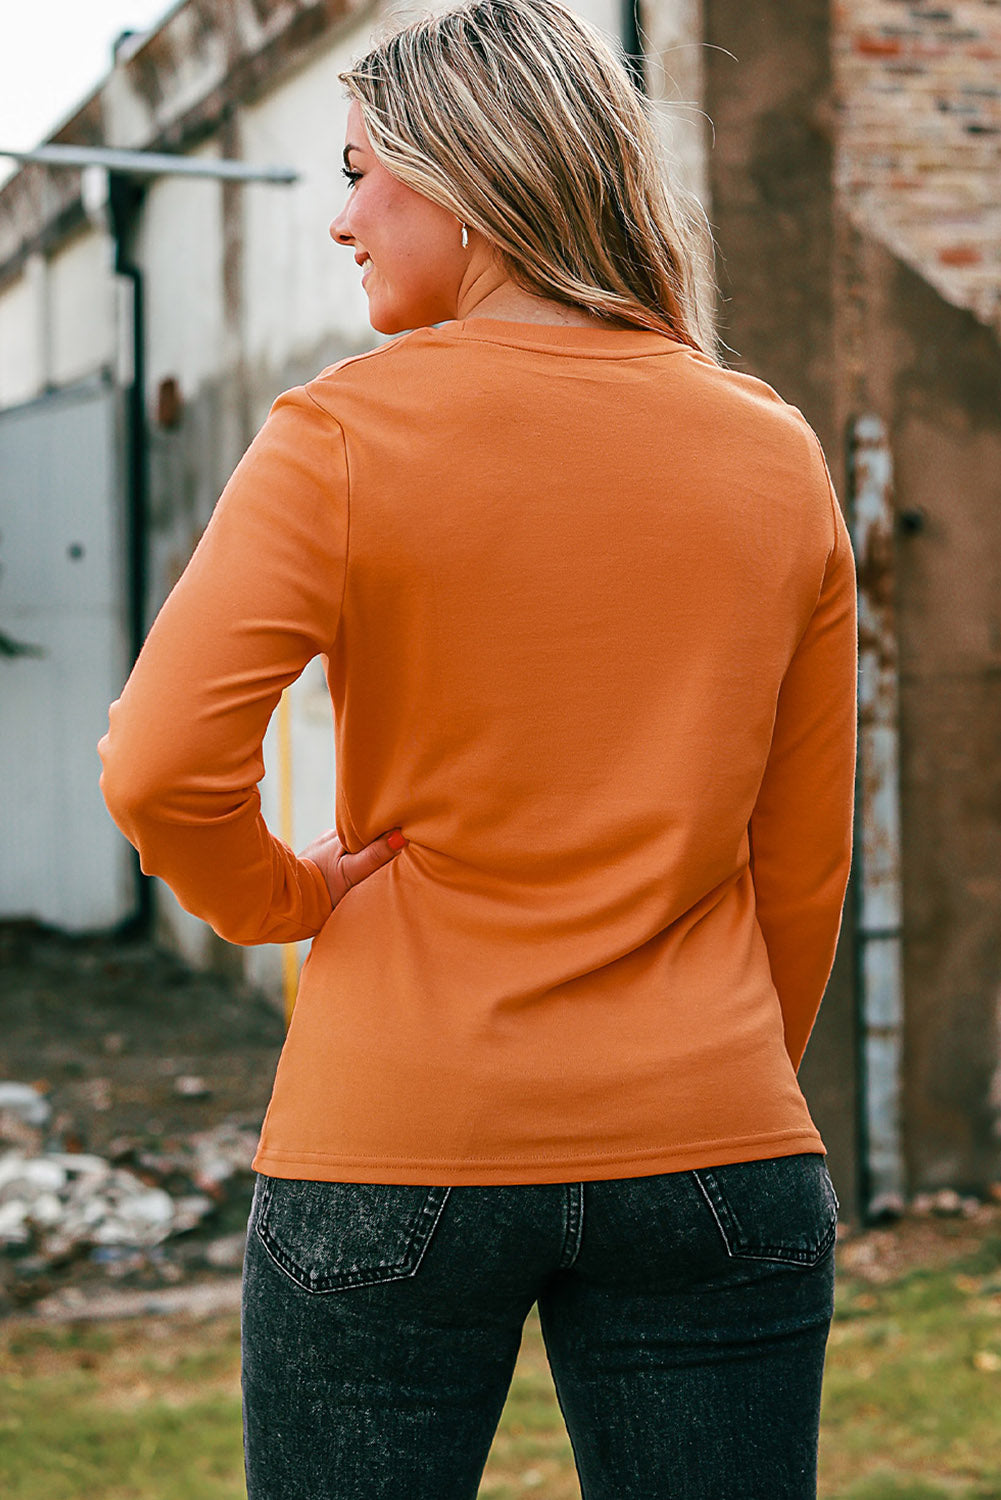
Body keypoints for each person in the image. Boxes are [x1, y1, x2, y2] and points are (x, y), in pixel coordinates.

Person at [97, 0, 857, 1494]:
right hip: (713, 1139)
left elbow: (157, 766)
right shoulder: (772, 451)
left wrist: (281, 900)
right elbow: (801, 853)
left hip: (394, 1136)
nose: (341, 220)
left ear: (468, 179)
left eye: (360, 171)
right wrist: (725, 1083)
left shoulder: (341, 436)